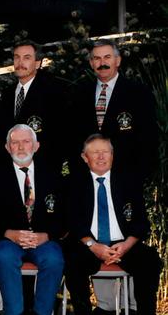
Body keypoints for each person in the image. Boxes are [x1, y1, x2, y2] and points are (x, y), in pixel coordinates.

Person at [68, 39, 158, 314]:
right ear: (91, 63)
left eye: (107, 57)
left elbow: (148, 139)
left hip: (125, 185)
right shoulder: (80, 93)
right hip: (89, 182)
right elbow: (71, 138)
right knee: (72, 260)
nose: (102, 62)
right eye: (96, 58)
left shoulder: (137, 93)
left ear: (118, 61)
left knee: (148, 261)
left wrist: (136, 177)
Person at [63, 134, 161, 315]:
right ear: (85, 157)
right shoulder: (73, 184)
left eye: (105, 152)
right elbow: (73, 223)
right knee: (73, 263)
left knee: (150, 261)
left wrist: (125, 246)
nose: (101, 157)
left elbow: (141, 223)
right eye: (95, 152)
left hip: (123, 244)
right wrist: (94, 246)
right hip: (88, 245)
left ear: (112, 155)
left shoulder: (129, 182)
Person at [0, 124, 65, 315]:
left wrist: (46, 235)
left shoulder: (54, 176)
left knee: (54, 258)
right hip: (8, 241)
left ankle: (43, 312)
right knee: (4, 257)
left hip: (44, 240)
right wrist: (9, 233)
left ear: (36, 146)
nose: (21, 147)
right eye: (15, 143)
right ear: (7, 148)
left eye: (26, 142)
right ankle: (13, 312)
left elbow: (65, 216)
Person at [0, 40, 66, 174]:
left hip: (44, 169)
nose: (20, 63)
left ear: (38, 63)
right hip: (12, 171)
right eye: (16, 57)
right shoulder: (7, 94)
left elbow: (60, 135)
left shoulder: (54, 92)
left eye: (27, 58)